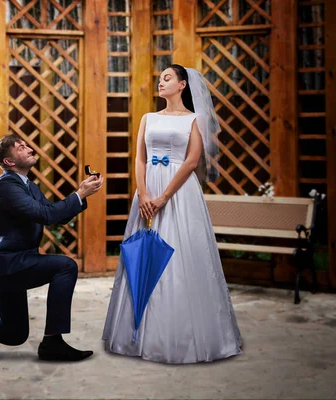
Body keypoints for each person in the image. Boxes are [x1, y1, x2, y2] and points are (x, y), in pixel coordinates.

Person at [102, 64, 242, 364]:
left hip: (179, 194)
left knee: (183, 256)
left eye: (167, 78)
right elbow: (140, 157)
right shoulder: (148, 118)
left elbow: (192, 162)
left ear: (182, 85)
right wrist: (143, 194)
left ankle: (181, 336)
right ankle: (137, 334)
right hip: (148, 190)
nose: (160, 82)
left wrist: (164, 197)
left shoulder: (195, 119)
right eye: (159, 78)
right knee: (143, 253)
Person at [0, 134, 103, 362]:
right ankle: (53, 342)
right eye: (21, 148)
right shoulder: (7, 185)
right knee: (66, 266)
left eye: (26, 145)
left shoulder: (27, 186)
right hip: (4, 266)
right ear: (9, 162)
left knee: (14, 334)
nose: (29, 148)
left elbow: (54, 216)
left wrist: (82, 194)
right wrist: (79, 194)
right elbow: (47, 215)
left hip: (13, 266)